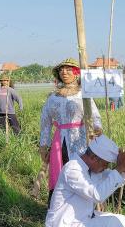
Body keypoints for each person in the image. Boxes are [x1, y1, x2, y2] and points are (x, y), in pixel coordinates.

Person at [39, 58, 103, 201]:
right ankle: (59, 204)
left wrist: (97, 129)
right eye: (62, 69)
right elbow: (45, 121)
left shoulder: (83, 95)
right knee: (60, 172)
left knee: (79, 172)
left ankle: (82, 206)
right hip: (59, 141)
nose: (64, 72)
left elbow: (95, 116)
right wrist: (44, 144)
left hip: (79, 139)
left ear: (76, 73)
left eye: (69, 69)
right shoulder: (53, 97)